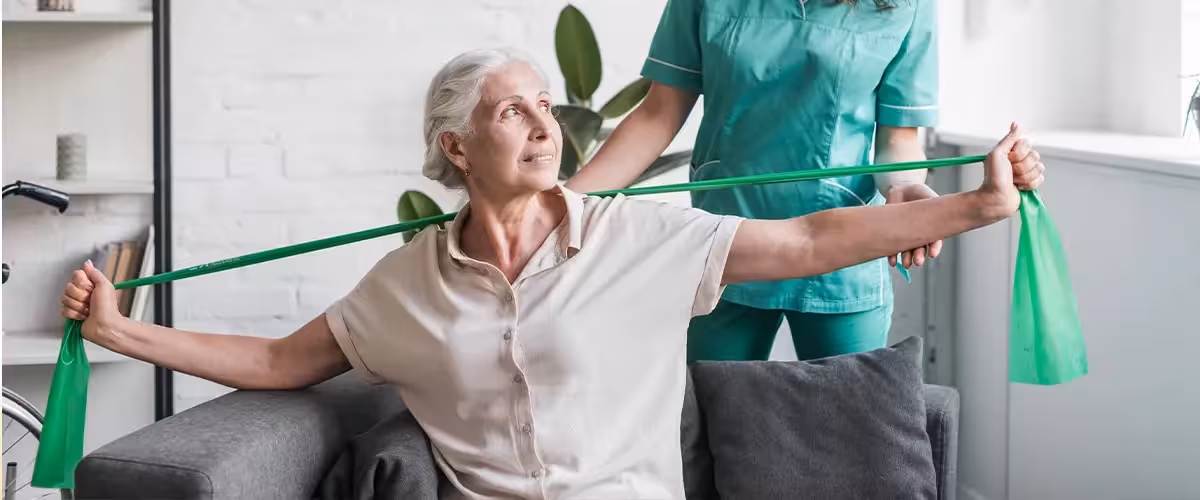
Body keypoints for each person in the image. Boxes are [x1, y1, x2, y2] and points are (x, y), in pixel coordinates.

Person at [60, 48, 1043, 499]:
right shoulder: (405, 286)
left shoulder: (635, 238)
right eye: (511, 111)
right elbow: (281, 360)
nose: (544, 123)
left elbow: (809, 241)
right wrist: (119, 329)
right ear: (456, 147)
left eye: (543, 104)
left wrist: (974, 205)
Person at [566, 0, 1044, 362]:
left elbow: (899, 138)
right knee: (712, 430)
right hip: (727, 246)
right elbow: (657, 114)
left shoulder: (906, 5)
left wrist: (904, 191)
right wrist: (563, 202)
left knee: (849, 431)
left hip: (845, 253)